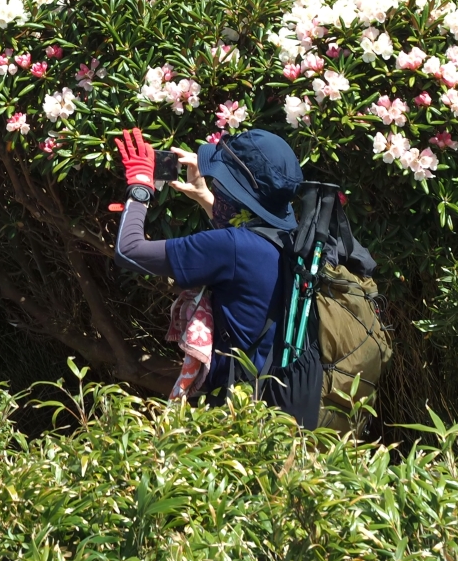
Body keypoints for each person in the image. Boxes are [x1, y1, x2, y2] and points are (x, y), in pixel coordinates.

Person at [113, 125, 321, 418]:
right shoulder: (288, 238)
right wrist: (202, 195)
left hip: (238, 413)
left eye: (220, 181)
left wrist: (140, 188)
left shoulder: (231, 246)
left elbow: (128, 250)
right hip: (278, 405)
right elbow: (243, 244)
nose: (217, 186)